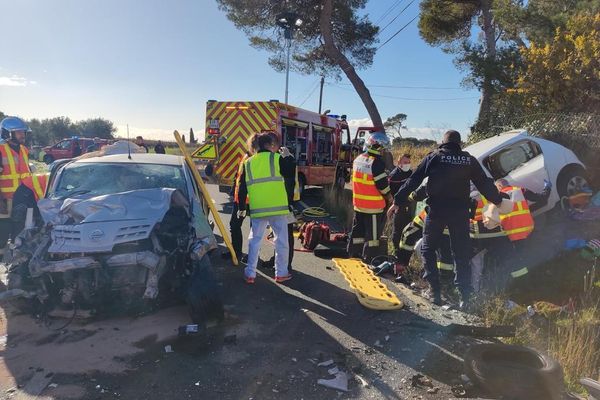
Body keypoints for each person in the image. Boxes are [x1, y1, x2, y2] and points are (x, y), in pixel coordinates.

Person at [388, 130, 504, 308]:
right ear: (459, 144)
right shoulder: (469, 160)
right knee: (461, 253)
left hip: (437, 211)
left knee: (428, 249)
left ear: (443, 142)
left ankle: (435, 291)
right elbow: (484, 183)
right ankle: (465, 296)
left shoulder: (434, 157)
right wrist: (498, 200)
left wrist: (397, 200)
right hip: (460, 213)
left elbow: (414, 179)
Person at [237, 132, 295, 284]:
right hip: (278, 209)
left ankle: (250, 273)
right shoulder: (277, 158)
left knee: (254, 240)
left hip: (258, 209)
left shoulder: (248, 163)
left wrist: (241, 207)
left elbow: (242, 187)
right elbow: (289, 173)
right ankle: (281, 273)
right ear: (270, 145)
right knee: (281, 241)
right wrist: (288, 156)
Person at [347, 131, 393, 262]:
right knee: (372, 236)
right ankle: (370, 257)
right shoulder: (377, 163)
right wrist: (390, 197)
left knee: (358, 231)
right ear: (380, 147)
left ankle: (353, 253)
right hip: (373, 207)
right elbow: (383, 186)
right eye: (384, 149)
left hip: (358, 204)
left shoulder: (358, 159)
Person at [0, 117, 34, 252]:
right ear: (7, 133)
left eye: (23, 132)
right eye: (18, 132)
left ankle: (15, 264)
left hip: (22, 199)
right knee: (2, 234)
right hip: (5, 200)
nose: (22, 135)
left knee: (19, 233)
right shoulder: (0, 150)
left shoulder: (24, 150)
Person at [388, 153, 413, 258]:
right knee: (397, 232)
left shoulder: (411, 173)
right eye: (405, 162)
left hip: (410, 207)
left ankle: (406, 254)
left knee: (409, 232)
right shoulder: (394, 175)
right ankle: (396, 252)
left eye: (408, 162)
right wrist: (395, 205)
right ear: (399, 163)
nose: (407, 164)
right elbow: (391, 193)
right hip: (398, 207)